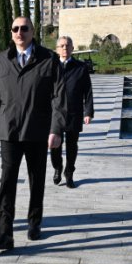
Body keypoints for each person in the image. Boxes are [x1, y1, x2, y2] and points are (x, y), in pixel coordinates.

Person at [0, 16, 66, 251]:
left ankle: (34, 222)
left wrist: (56, 129)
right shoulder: (1, 60)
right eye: (15, 29)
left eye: (24, 28)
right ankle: (4, 234)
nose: (19, 32)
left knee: (36, 180)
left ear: (33, 31)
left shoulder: (48, 59)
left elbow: (59, 98)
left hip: (37, 130)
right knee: (7, 182)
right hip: (9, 131)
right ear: (11, 33)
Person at [51, 36, 93, 189]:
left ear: (72, 48)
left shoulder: (80, 67)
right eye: (61, 46)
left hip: (74, 112)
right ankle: (57, 167)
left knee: (72, 146)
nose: (64, 48)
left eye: (67, 45)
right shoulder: (52, 66)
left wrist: (88, 112)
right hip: (55, 113)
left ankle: (69, 173)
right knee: (54, 145)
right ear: (57, 49)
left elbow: (87, 91)